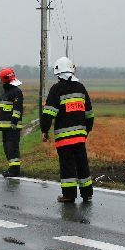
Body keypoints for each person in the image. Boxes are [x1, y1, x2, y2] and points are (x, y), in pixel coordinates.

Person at [41, 57, 94, 203]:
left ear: (58, 73)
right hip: (80, 137)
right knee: (82, 164)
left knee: (67, 165)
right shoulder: (81, 88)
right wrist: (87, 130)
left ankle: (69, 195)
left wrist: (44, 130)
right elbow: (89, 113)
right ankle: (87, 193)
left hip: (64, 138)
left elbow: (48, 113)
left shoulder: (56, 89)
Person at [0, 68, 23, 177]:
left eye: (0, 79)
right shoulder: (7, 91)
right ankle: (11, 169)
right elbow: (2, 110)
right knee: (7, 149)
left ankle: (14, 170)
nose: (0, 81)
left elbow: (17, 109)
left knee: (12, 149)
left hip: (12, 127)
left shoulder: (16, 92)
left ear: (5, 79)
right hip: (5, 127)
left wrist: (14, 123)